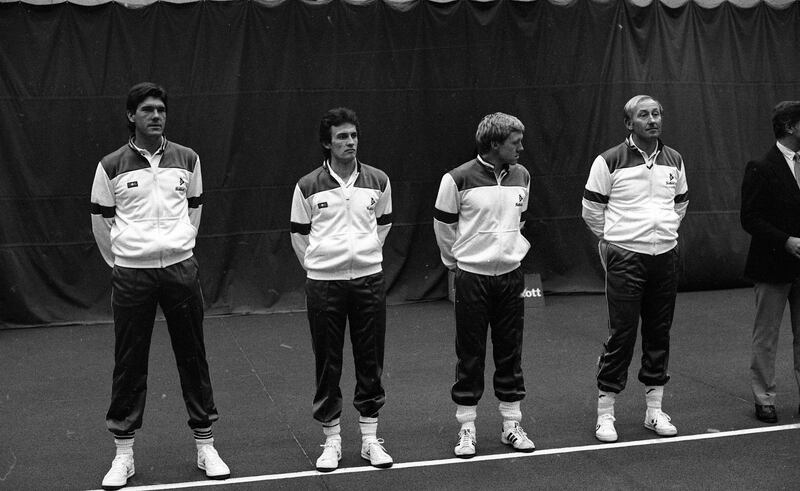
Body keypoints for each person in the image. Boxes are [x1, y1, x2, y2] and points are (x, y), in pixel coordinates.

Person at [90, 82, 229, 490]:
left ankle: (206, 446)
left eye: (161, 110)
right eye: (148, 110)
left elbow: (195, 210)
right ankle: (123, 455)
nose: (156, 116)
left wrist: (179, 245)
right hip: (132, 275)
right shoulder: (110, 165)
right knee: (129, 361)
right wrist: (124, 261)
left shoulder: (188, 159)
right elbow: (101, 221)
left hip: (180, 271)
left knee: (193, 356)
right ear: (131, 116)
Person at [290, 107, 394, 472]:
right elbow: (299, 237)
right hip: (324, 285)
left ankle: (369, 440)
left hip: (368, 281)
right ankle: (332, 440)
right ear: (326, 143)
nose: (350, 143)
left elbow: (382, 225)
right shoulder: (306, 185)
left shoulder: (378, 180)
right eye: (342, 137)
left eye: (353, 136)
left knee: (370, 360)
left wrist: (363, 259)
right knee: (328, 363)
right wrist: (323, 266)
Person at [581, 95, 689, 443]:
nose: (652, 120)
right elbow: (592, 210)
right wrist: (616, 242)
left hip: (665, 257)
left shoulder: (674, 159)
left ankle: (654, 412)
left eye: (657, 113)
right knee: (622, 334)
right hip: (626, 258)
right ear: (629, 124)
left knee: (659, 333)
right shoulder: (608, 160)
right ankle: (606, 413)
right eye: (644, 115)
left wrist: (662, 234)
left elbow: (681, 203)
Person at [433, 112, 536, 458]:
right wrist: (460, 264)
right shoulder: (456, 179)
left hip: (512, 277)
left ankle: (511, 425)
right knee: (470, 354)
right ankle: (467, 428)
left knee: (511, 351)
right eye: (514, 142)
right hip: (471, 278)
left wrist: (506, 254)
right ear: (494, 144)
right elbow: (444, 228)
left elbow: (519, 222)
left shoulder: (522, 175)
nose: (521, 147)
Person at [740, 101, 800, 424]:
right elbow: (749, 218)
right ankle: (764, 399)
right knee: (767, 335)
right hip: (772, 265)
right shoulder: (761, 166)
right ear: (790, 127)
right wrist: (785, 241)